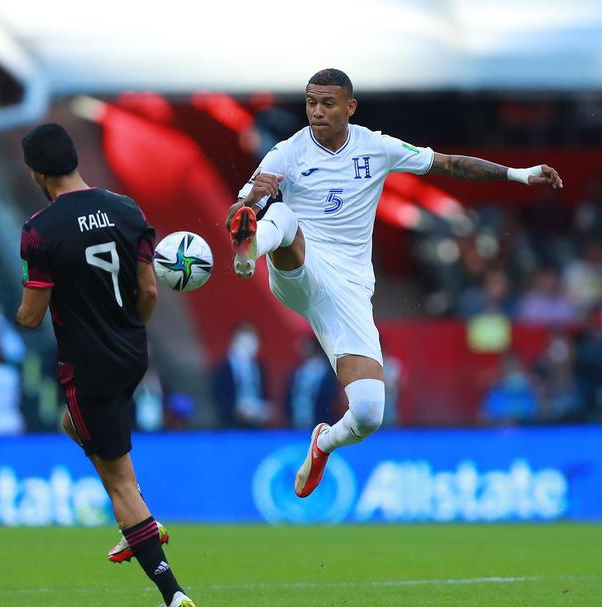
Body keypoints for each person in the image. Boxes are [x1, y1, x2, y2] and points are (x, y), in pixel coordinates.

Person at [226, 68, 563, 498]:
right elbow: (235, 211)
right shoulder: (286, 154)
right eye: (311, 103)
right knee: (283, 217)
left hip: (348, 289)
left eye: (328, 104)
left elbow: (451, 165)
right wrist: (253, 199)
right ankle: (250, 252)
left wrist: (518, 173)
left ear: (350, 107)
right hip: (299, 266)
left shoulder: (377, 146)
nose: (317, 112)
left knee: (369, 412)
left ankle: (323, 443)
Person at [16, 123, 198, 607]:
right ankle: (140, 521)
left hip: (87, 365)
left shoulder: (40, 229)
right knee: (78, 428)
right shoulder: (126, 208)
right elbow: (151, 291)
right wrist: (125, 329)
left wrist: (27, 306)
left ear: (36, 172)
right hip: (131, 353)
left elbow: (31, 316)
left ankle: (173, 593)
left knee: (118, 483)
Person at [211, 321, 273, 428]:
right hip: (231, 425)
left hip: (257, 424)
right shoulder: (224, 366)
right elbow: (218, 395)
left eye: (252, 334)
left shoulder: (259, 366)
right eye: (245, 333)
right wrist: (234, 411)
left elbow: (264, 392)